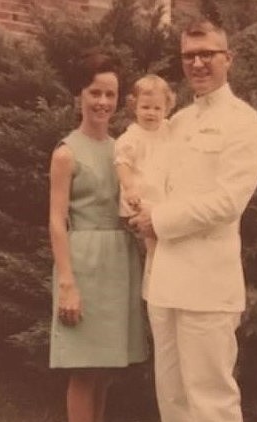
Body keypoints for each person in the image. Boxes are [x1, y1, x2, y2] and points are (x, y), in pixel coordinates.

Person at [129, 18, 257, 422]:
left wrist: (158, 220)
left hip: (208, 282)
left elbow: (228, 202)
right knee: (172, 390)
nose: (199, 63)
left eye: (209, 53)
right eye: (190, 56)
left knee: (211, 393)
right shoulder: (178, 121)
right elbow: (155, 183)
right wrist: (137, 204)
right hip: (162, 277)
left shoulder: (244, 123)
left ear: (228, 58)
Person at [49, 51, 148, 422]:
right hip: (84, 263)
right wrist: (67, 281)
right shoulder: (66, 152)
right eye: (95, 92)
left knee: (105, 373)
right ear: (79, 96)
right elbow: (55, 222)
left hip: (119, 263)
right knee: (83, 371)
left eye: (110, 93)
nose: (103, 101)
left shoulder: (122, 149)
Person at [114, 74, 175, 297]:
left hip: (162, 195)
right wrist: (129, 188)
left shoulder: (168, 130)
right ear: (134, 107)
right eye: (145, 107)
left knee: (166, 239)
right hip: (141, 197)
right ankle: (155, 287)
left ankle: (163, 280)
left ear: (167, 109)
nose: (151, 113)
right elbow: (122, 163)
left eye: (157, 108)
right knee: (152, 241)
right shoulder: (132, 137)